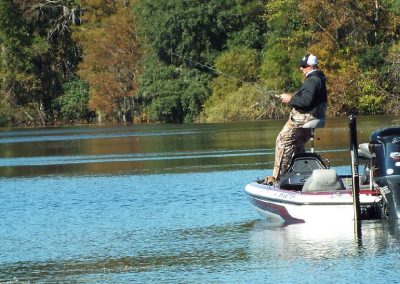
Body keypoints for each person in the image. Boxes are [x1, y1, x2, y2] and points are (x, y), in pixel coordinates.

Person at [265, 53, 328, 184]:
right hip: (311, 118)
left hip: (303, 119)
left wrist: (290, 99)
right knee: (296, 144)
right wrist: (292, 98)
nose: (301, 68)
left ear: (311, 66)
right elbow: (308, 99)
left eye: (303, 66)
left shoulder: (312, 80)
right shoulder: (319, 79)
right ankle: (301, 174)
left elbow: (306, 102)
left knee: (283, 141)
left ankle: (276, 178)